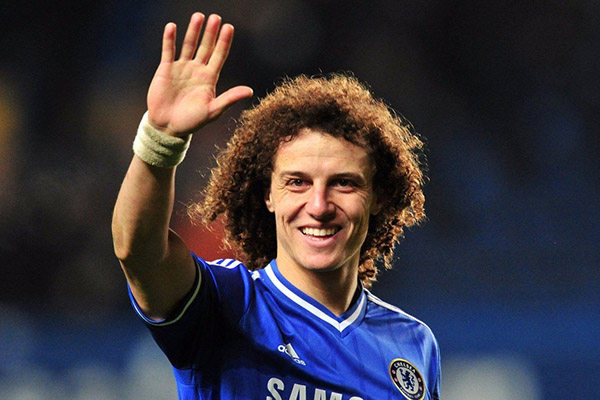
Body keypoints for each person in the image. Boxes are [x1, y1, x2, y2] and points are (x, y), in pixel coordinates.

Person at [112, 12, 441, 400]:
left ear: (378, 197)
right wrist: (161, 139)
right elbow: (139, 252)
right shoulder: (227, 304)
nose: (318, 205)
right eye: (297, 182)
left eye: (343, 183)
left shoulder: (413, 344)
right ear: (268, 194)